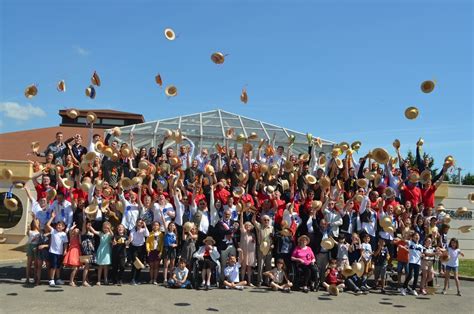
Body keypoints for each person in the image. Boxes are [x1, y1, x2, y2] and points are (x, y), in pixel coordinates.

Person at [45, 212, 68, 287]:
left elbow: (65, 243)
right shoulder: (53, 231)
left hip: (60, 253)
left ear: (63, 227)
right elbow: (47, 225)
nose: (58, 226)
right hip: (53, 252)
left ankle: (57, 279)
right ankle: (51, 280)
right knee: (53, 267)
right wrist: (52, 217)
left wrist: (65, 250)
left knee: (58, 267)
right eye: (58, 225)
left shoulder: (64, 234)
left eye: (60, 225)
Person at [252, 213, 274, 287]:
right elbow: (253, 220)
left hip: (269, 248)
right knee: (260, 265)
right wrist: (255, 212)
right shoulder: (259, 226)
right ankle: (259, 281)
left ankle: (267, 281)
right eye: (265, 220)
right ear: (262, 220)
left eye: (268, 220)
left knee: (268, 266)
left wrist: (273, 244)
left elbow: (273, 238)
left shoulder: (272, 228)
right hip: (261, 248)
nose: (266, 221)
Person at [88, 221, 113, 285]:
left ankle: (105, 280)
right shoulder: (101, 233)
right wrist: (90, 226)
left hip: (107, 252)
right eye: (104, 228)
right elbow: (94, 231)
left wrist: (109, 229)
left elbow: (112, 234)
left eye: (107, 228)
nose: (105, 229)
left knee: (106, 267)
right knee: (100, 266)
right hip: (100, 251)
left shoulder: (109, 234)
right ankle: (98, 280)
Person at [129, 218, 150, 285]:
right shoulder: (132, 229)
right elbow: (131, 237)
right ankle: (132, 279)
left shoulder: (143, 230)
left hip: (141, 248)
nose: (139, 224)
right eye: (138, 222)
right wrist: (130, 240)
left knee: (140, 264)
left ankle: (137, 279)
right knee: (135, 263)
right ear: (136, 223)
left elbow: (147, 235)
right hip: (134, 248)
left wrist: (145, 226)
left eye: (141, 223)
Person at [402, 232, 423, 296]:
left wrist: (423, 255)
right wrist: (407, 235)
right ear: (413, 237)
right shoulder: (410, 242)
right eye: (416, 235)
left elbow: (421, 254)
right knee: (410, 275)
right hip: (411, 261)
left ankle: (413, 289)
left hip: (418, 262)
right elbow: (403, 240)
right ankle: (403, 288)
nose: (417, 237)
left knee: (416, 276)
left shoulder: (421, 246)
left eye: (418, 235)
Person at [63, 222, 81, 287]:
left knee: (77, 268)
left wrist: (79, 235)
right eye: (76, 230)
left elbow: (80, 242)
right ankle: (71, 281)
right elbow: (70, 230)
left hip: (77, 252)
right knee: (75, 268)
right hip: (73, 252)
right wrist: (73, 226)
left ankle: (72, 279)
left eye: (78, 230)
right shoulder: (71, 236)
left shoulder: (78, 237)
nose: (77, 230)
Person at [162, 220, 178, 285]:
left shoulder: (175, 234)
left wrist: (175, 245)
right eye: (170, 225)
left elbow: (177, 243)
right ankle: (165, 279)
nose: (172, 226)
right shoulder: (166, 232)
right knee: (166, 265)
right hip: (166, 249)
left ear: (175, 227)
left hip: (173, 249)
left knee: (172, 265)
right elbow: (163, 221)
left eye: (173, 225)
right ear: (168, 226)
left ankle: (171, 278)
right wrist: (161, 212)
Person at [25, 219, 40, 284]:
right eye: (34, 222)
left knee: (36, 264)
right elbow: (27, 232)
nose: (35, 223)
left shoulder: (39, 232)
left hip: (36, 246)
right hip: (30, 246)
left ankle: (35, 278)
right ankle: (27, 278)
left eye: (37, 222)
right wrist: (34, 218)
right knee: (29, 263)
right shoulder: (30, 231)